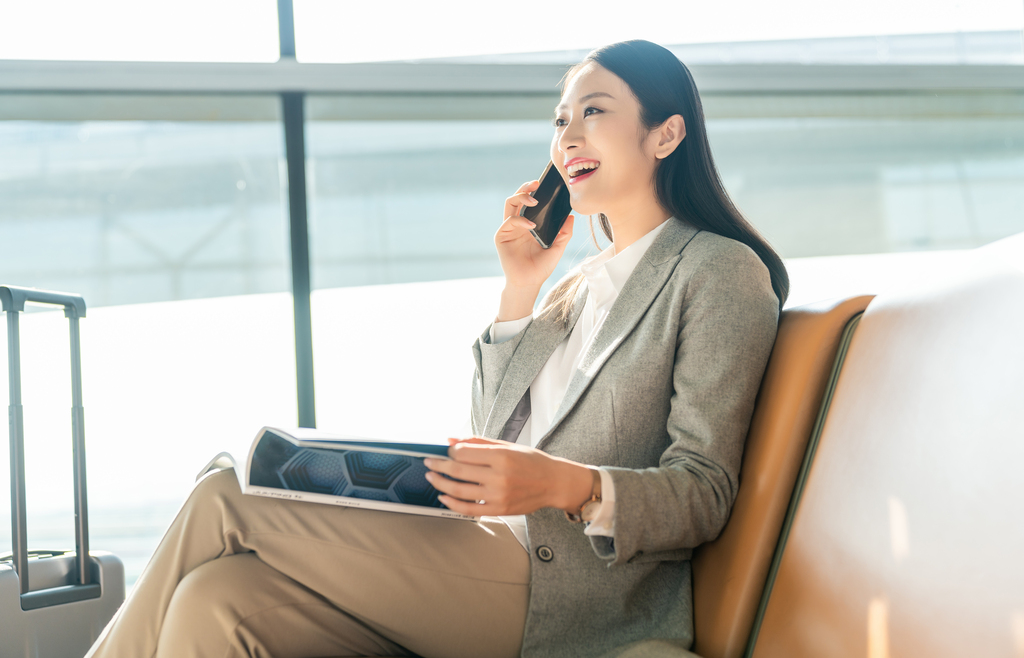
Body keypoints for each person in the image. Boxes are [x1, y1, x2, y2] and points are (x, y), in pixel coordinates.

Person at [85, 39, 786, 658]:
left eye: (594, 111)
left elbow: (703, 490)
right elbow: (491, 438)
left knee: (225, 495)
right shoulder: (576, 287)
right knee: (215, 597)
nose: (569, 135)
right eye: (560, 119)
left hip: (575, 595)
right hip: (487, 556)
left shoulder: (717, 270)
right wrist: (521, 290)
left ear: (665, 136)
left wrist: (564, 485)